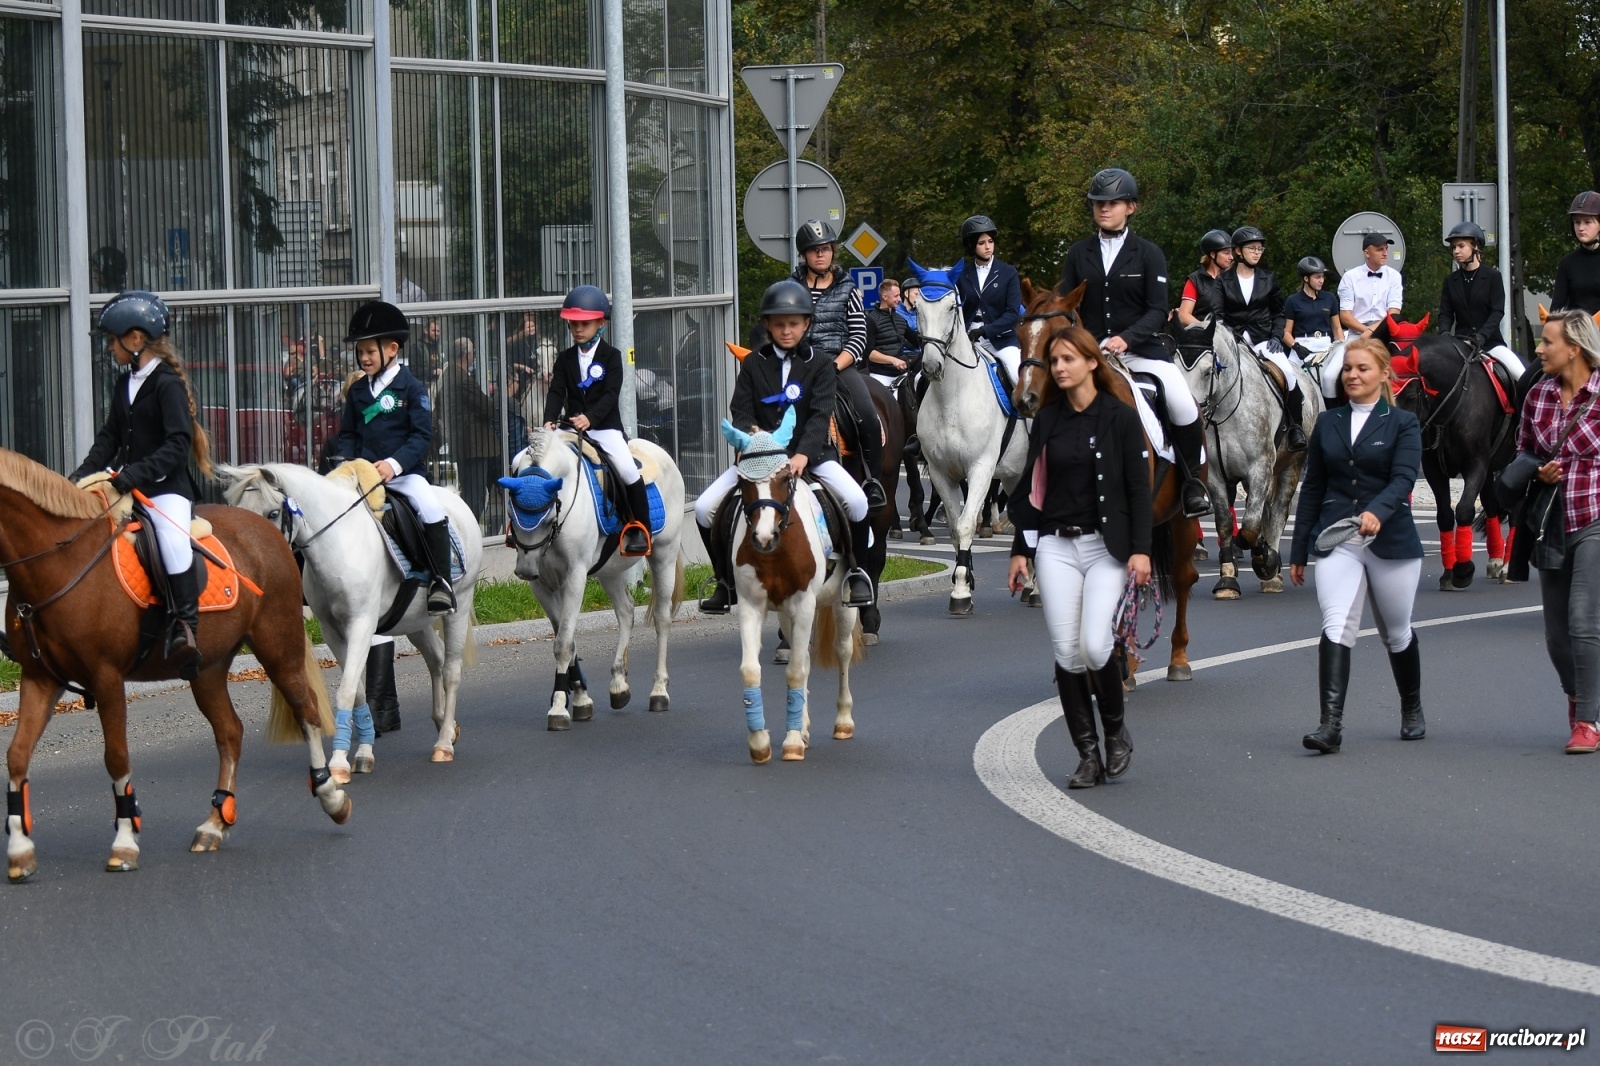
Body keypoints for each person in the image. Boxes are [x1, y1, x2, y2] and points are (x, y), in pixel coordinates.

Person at [1006, 324, 1152, 788]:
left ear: (1092, 362)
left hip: (1105, 548)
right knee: (1067, 654)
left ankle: (1116, 734)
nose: (1060, 368)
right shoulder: (1047, 419)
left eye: (1068, 359)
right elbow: (1031, 489)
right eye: (1054, 361)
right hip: (1055, 545)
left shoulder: (1121, 417)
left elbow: (1138, 489)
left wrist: (1142, 550)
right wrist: (1019, 550)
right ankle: (1088, 755)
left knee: (1094, 645)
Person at [695, 279, 875, 613]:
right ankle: (724, 581)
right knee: (705, 508)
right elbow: (741, 410)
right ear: (767, 325)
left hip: (811, 456)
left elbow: (821, 414)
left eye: (794, 324)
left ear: (807, 324)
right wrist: (747, 439)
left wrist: (804, 454)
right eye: (779, 324)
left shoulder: (821, 364)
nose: (786, 331)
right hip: (760, 460)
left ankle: (856, 573)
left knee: (857, 501)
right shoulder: (752, 364)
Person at [1289, 337, 1425, 752]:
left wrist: (1378, 512)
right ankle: (1330, 725)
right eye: (1348, 368)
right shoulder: (1328, 422)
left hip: (1392, 540)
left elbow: (1403, 479)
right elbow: (1312, 486)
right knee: (1335, 625)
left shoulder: (1404, 423)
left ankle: (1411, 706)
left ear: (1385, 374)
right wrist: (1298, 550)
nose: (1352, 375)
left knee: (1396, 631)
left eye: (1362, 368)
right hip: (1338, 538)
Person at [69, 290, 213, 680]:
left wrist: (134, 475)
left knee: (169, 538)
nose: (110, 348)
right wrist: (79, 478)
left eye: (112, 341)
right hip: (128, 489)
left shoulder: (167, 384)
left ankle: (187, 629)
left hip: (166, 489)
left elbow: (177, 445)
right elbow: (108, 439)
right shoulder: (124, 384)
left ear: (135, 340)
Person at [1057, 167, 1210, 517]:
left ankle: (1191, 483)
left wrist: (1127, 339)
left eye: (1112, 203)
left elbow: (1157, 310)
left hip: (1140, 352)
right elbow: (1067, 303)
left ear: (1131, 207)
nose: (1103, 209)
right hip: (1089, 354)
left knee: (1183, 404)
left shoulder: (1148, 253)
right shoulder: (1078, 253)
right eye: (1098, 203)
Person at [329, 300, 457, 614]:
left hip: (405, 474)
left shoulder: (412, 389)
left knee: (429, 508)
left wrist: (392, 464)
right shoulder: (358, 391)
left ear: (392, 349)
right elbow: (349, 434)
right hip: (363, 474)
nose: (364, 358)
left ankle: (441, 582)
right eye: (360, 352)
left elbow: (421, 437)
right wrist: (346, 462)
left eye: (370, 352)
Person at [1514, 310, 1600, 752]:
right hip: (1550, 522)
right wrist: (1537, 474)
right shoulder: (1537, 395)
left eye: (1547, 342)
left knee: (1584, 620)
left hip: (1595, 516)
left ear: (1575, 349)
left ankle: (1588, 719)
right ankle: (1576, 696)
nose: (1539, 350)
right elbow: (1524, 450)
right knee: (1555, 634)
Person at [543, 285, 651, 556]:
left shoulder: (612, 357)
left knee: (627, 469)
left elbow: (611, 395)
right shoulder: (564, 358)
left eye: (585, 324)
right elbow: (557, 390)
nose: (578, 329)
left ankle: (640, 527)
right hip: (570, 429)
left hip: (603, 428)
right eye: (574, 324)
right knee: (541, 459)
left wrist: (590, 418)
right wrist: (548, 421)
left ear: (601, 323)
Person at [792, 219, 887, 514]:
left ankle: (873, 481)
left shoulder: (848, 289)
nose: (821, 255)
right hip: (798, 365)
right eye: (814, 250)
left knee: (867, 414)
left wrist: (833, 366)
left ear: (832, 251)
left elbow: (859, 336)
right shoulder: (790, 288)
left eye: (825, 249)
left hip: (839, 363)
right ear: (804, 255)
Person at [1219, 225, 1305, 451]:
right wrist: (1230, 337)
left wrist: (1277, 336)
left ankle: (1296, 427)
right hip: (1234, 341)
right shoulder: (1223, 280)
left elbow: (1279, 312)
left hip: (1263, 339)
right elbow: (1218, 315)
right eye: (1252, 248)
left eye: (1260, 248)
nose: (1257, 252)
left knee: (1288, 374)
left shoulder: (1268, 278)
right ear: (1238, 251)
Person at [1437, 220, 1526, 382]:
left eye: (1461, 246)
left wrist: (1482, 336)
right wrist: (1444, 334)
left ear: (1476, 246)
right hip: (1460, 345)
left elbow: (1497, 311)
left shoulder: (1493, 276)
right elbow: (1446, 313)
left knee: (1522, 375)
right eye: (1454, 247)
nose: (1456, 251)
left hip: (1490, 344)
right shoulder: (1451, 281)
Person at [954, 215, 1024, 388]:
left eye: (990, 241)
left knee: (1019, 378)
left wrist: (985, 330)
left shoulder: (1009, 273)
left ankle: (1028, 415)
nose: (987, 247)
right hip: (967, 339)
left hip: (1001, 340)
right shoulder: (962, 274)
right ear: (971, 245)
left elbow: (1013, 313)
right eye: (981, 243)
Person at [439, 337, 498, 522]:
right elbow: (487, 408)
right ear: (467, 355)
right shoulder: (462, 378)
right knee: (476, 495)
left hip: (464, 442)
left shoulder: (449, 375)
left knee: (469, 492)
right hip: (475, 445)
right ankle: (469, 531)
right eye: (473, 353)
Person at [1337, 232, 1403, 338]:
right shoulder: (1350, 277)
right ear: (1367, 253)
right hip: (1357, 333)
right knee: (1346, 354)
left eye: (1386, 249)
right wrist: (1366, 331)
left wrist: (1373, 330)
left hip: (1384, 331)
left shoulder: (1394, 276)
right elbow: (1345, 316)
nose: (1385, 253)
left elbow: (1394, 311)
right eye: (1380, 249)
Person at [1552, 191, 1600, 315]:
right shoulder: (1567, 263)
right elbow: (1557, 307)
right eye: (1577, 222)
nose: (1581, 228)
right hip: (1576, 330)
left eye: (1587, 222)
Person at [1176, 229, 1234, 327]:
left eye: (1232, 253)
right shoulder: (1195, 280)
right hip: (1203, 337)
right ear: (1212, 254)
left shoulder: (1234, 279)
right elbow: (1183, 315)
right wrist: (1210, 329)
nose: (1231, 257)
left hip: (1232, 336)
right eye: (1226, 253)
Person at [865, 277, 914, 380]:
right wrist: (893, 360)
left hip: (903, 374)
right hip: (880, 376)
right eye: (896, 296)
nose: (900, 300)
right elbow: (869, 353)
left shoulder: (901, 320)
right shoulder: (870, 320)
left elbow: (917, 340)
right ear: (884, 297)